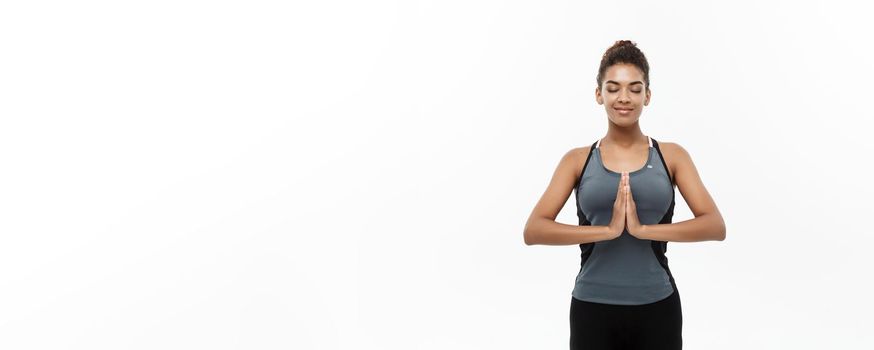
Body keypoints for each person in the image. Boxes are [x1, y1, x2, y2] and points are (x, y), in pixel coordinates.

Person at [522, 40, 726, 350]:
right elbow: (533, 230)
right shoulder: (577, 160)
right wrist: (607, 231)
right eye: (613, 87)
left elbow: (715, 226)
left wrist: (643, 231)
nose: (624, 98)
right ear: (598, 94)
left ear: (648, 95)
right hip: (592, 307)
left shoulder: (671, 156)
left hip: (657, 306)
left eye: (634, 88)